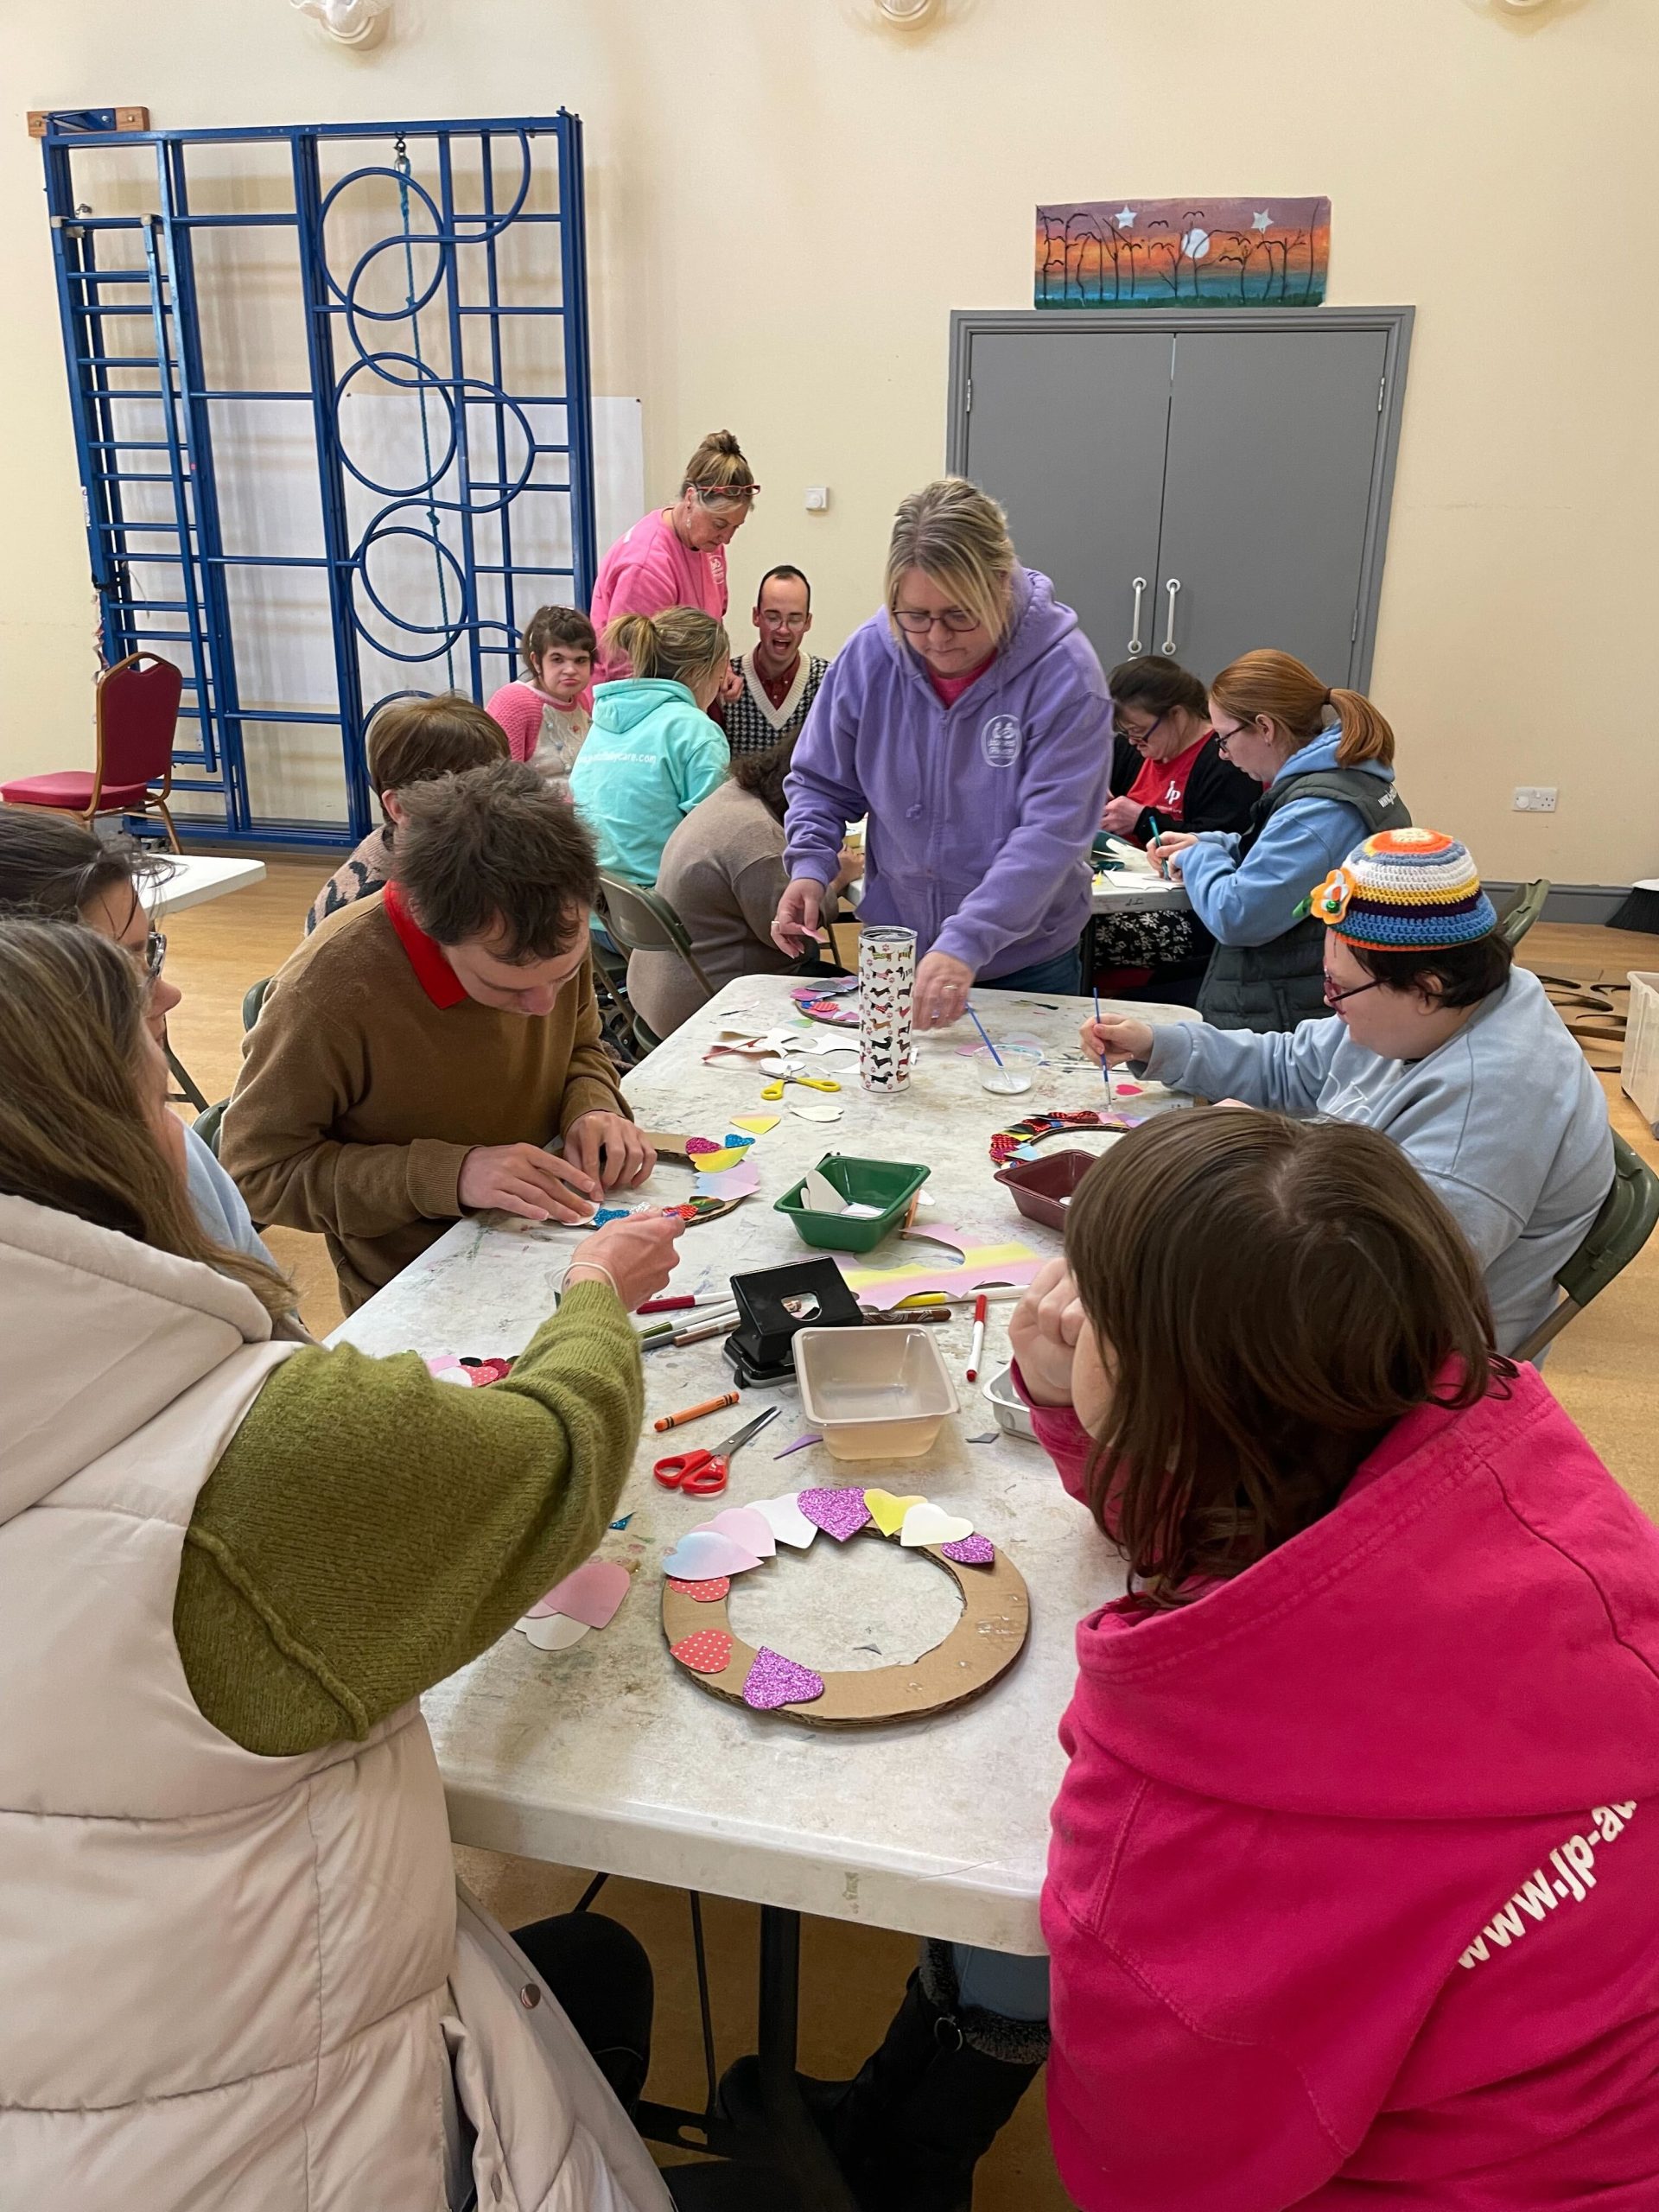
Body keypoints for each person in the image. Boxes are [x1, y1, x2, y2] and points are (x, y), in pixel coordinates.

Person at [0, 913, 684, 2209]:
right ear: (87, 1139)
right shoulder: (262, 1453)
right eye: (156, 1091)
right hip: (294, 2149)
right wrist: (596, 1292)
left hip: (74, 2110)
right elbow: (552, 1458)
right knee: (592, 1977)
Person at [1006, 1109, 1659, 2210]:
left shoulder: (1176, 1795)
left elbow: (1151, 2166)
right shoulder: (1524, 1473)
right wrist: (1087, 1413)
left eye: (1100, 1311)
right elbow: (1263, 1511)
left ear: (1169, 1392)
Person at [1084, 827, 1615, 1354]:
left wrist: (1258, 1155)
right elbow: (1291, 1065)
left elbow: (1378, 1291)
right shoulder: (1437, 1009)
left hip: (1403, 1355)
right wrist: (1160, 1045)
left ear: (1426, 990)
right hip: (1338, 1287)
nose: (1328, 1001)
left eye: (1339, 988)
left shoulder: (1491, 1110)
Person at [222, 759, 653, 1313]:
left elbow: (581, 1047)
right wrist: (451, 1174)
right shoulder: (327, 991)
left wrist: (593, 1107)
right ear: (429, 922)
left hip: (560, 1243)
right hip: (417, 1286)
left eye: (564, 977)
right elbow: (256, 1174)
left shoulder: (548, 932)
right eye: (507, 987)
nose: (543, 1006)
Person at [773, 478, 1112, 1026]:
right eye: (914, 616)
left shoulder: (1065, 677)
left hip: (1024, 963)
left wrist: (968, 940)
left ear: (1000, 585)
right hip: (896, 948)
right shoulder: (870, 656)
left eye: (959, 615)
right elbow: (820, 781)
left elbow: (1051, 833)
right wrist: (810, 866)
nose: (935, 637)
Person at [0, 808, 274, 1265]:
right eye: (117, 975)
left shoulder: (164, 1139)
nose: (168, 995)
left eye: (149, 953)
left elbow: (266, 1297)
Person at [1153, 646, 1412, 1031]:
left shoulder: (1319, 810)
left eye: (1223, 739)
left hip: (1294, 1013)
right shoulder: (1342, 780)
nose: (1223, 755)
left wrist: (1198, 857)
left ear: (1265, 728)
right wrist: (1211, 844)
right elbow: (1276, 852)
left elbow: (1236, 916)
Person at [627, 734, 860, 1039]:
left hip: (659, 990)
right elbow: (796, 928)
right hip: (704, 1007)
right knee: (872, 999)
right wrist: (837, 877)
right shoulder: (758, 837)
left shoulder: (731, 795)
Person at [1093, 653, 1258, 1004]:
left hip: (1191, 913)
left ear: (1177, 715)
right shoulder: (1132, 751)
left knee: (1082, 937)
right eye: (1126, 733)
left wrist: (1142, 820)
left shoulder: (1224, 761)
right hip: (1124, 895)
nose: (1134, 742)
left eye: (1139, 732)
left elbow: (1226, 842)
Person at [307, 691, 508, 935]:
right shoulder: (364, 911)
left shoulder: (465, 851)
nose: (492, 804)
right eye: (465, 794)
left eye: (496, 785)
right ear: (400, 807)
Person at [569, 608, 732, 888]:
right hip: (661, 905)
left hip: (593, 898)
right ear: (697, 673)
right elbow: (714, 839)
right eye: (718, 678)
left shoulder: (603, 720)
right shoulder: (696, 730)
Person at [589, 429, 756, 683]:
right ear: (691, 498)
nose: (727, 538)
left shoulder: (708, 542)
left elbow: (713, 624)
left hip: (687, 687)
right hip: (641, 694)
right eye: (720, 524)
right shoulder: (645, 566)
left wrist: (722, 671)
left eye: (736, 527)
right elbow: (628, 670)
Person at [719, 563, 830, 760]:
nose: (783, 629)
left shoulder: (828, 682)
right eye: (773, 617)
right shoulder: (726, 682)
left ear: (808, 622)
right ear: (756, 616)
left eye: (794, 619)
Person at [485, 603, 598, 789]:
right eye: (557, 659)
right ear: (536, 661)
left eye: (581, 660)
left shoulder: (581, 699)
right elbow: (500, 784)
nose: (570, 670)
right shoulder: (514, 702)